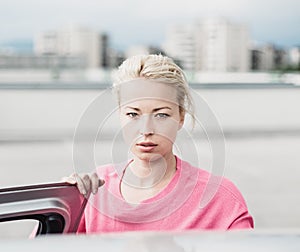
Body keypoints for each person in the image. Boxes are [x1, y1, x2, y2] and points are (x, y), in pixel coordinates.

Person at [64, 54, 254, 233]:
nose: (146, 129)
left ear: (180, 117)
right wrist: (61, 204)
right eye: (133, 114)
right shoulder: (92, 191)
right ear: (120, 115)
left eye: (161, 115)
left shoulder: (220, 198)